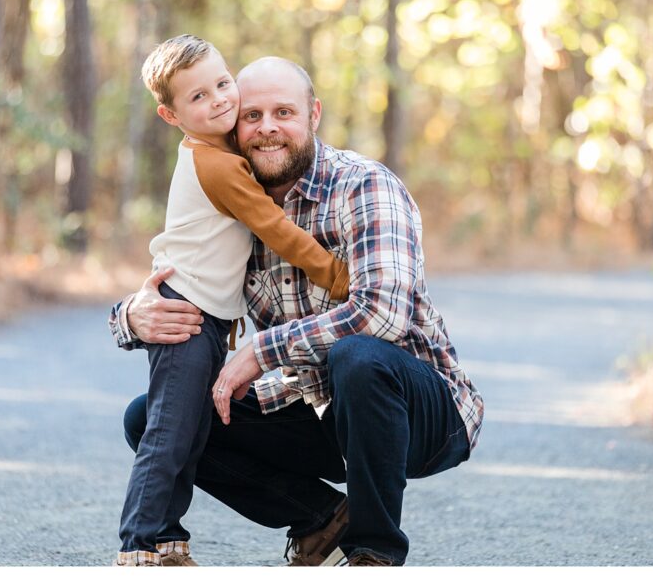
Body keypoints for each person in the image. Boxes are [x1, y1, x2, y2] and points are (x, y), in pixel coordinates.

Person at [114, 56, 484, 567]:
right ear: (234, 124)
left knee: (359, 358)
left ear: (313, 115)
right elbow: (181, 272)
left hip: (421, 411)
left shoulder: (365, 186)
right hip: (320, 414)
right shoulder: (235, 201)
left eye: (283, 113)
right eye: (253, 115)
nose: (268, 129)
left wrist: (261, 350)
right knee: (149, 417)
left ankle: (372, 551)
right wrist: (132, 316)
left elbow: (382, 316)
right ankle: (322, 517)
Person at [110, 37, 350, 567]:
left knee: (192, 432)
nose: (219, 100)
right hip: (187, 314)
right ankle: (139, 546)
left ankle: (169, 540)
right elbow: (275, 228)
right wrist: (336, 276)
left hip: (207, 317)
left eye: (223, 84)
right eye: (199, 97)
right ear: (171, 115)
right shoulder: (221, 166)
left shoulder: (219, 149)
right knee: (171, 433)